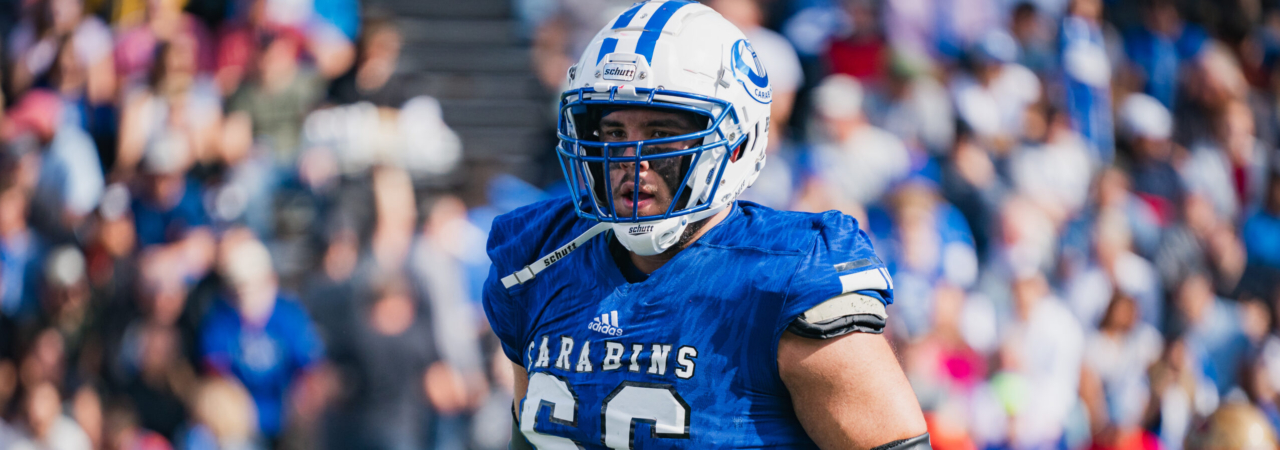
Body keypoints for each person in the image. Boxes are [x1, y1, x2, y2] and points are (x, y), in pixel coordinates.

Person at [482, 1, 928, 448]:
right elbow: (532, 434)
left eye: (659, 135)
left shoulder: (786, 277)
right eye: (614, 134)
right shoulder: (538, 258)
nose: (629, 160)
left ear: (735, 143)